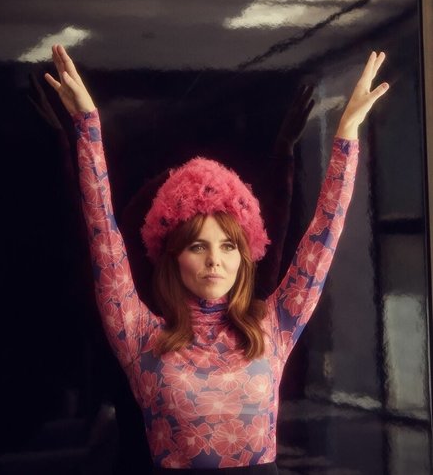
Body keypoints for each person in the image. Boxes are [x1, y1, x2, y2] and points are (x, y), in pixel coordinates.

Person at [45, 45, 389, 474]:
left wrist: (347, 134)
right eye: (197, 246)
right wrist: (87, 126)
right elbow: (102, 234)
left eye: (228, 246)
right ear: (172, 255)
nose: (215, 261)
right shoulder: (139, 336)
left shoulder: (273, 326)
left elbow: (324, 235)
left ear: (245, 255)